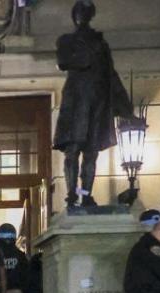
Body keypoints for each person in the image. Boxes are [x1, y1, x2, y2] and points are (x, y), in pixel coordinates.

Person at [53, 0, 132, 208]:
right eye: (79, 12)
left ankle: (85, 194)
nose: (82, 16)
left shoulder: (101, 44)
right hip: (76, 101)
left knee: (91, 151)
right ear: (74, 16)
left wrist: (125, 107)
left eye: (86, 12)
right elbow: (63, 61)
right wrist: (89, 53)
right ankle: (71, 195)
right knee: (72, 149)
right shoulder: (67, 40)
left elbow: (111, 75)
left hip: (97, 101)